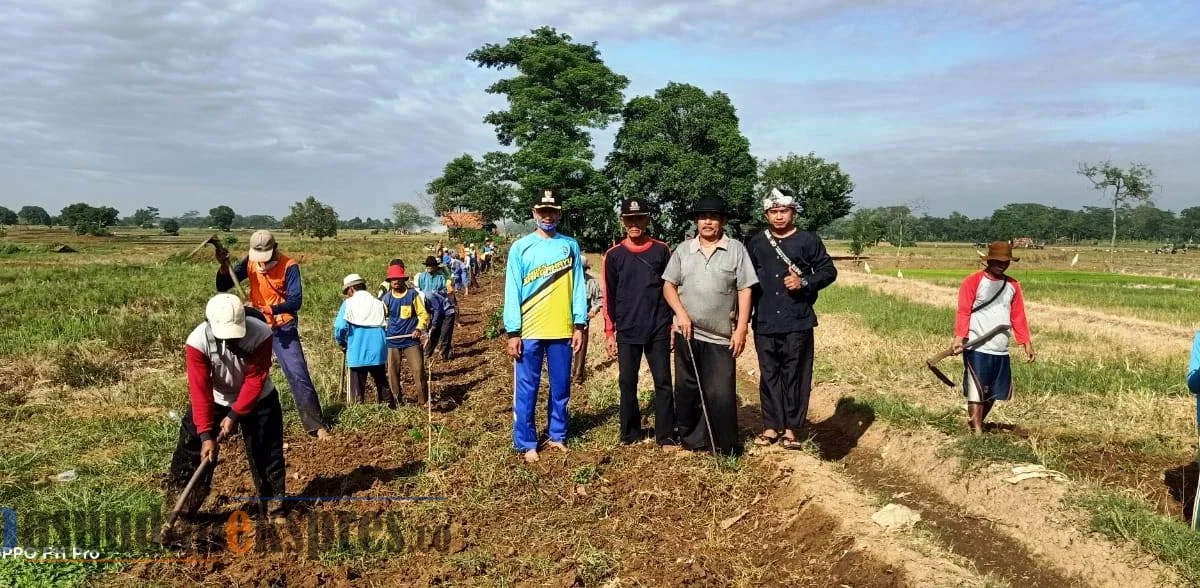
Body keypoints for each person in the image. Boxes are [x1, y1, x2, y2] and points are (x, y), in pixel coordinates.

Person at [169, 293, 286, 520]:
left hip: (258, 398)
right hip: (215, 398)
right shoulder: (197, 342)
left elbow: (255, 378)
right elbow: (200, 389)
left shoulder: (260, 333)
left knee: (266, 452)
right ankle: (181, 511)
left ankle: (274, 507)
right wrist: (205, 434)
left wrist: (235, 415)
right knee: (192, 451)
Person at [662, 196, 758, 456]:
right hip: (688, 332)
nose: (707, 222)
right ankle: (692, 441)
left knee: (721, 392)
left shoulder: (736, 249)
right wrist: (680, 314)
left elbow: (745, 288)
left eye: (713, 217)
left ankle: (724, 447)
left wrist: (741, 329)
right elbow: (669, 285)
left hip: (720, 336)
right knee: (688, 389)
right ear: (696, 221)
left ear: (722, 222)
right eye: (703, 217)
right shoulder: (683, 250)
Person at [216, 230, 330, 439]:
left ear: (275, 248)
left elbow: (296, 301)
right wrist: (224, 267)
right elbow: (222, 286)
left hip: (282, 327)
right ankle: (232, 426)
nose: (261, 262)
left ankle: (316, 424)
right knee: (240, 373)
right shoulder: (250, 262)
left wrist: (268, 309)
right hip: (254, 326)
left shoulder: (289, 266)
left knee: (298, 373)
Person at [747, 188, 838, 450]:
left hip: (797, 319)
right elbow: (747, 281)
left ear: (793, 212)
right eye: (773, 212)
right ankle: (770, 426)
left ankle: (790, 429)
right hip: (764, 318)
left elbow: (828, 271)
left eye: (783, 211)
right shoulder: (756, 242)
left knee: (794, 374)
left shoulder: (808, 240)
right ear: (766, 214)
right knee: (769, 374)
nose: (778, 217)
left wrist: (804, 281)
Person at [505, 188, 587, 463]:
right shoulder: (520, 247)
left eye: (552, 211)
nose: (548, 216)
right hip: (528, 330)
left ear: (559, 214)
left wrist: (579, 324)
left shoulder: (570, 246)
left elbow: (578, 288)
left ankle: (557, 435)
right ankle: (526, 441)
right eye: (543, 211)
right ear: (534, 213)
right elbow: (512, 290)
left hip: (562, 329)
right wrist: (513, 331)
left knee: (561, 387)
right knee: (527, 388)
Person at [602, 197, 676, 448]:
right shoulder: (613, 255)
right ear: (623, 221)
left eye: (640, 218)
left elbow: (671, 288)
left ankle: (665, 434)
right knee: (627, 382)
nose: (635, 224)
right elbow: (609, 295)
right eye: (630, 219)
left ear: (647, 220)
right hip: (628, 329)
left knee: (664, 381)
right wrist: (610, 331)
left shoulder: (661, 250)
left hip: (658, 326)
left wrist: (673, 324)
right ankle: (630, 433)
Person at [952, 241, 1036, 434]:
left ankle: (976, 423)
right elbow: (964, 311)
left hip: (1000, 347)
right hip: (977, 346)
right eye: (998, 261)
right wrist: (959, 337)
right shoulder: (973, 282)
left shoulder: (1013, 285)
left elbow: (1018, 315)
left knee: (994, 392)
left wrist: (1026, 342)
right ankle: (977, 431)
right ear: (989, 261)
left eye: (1006, 261)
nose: (1002, 264)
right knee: (976, 390)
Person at [334, 273, 395, 408]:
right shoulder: (379, 303)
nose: (347, 295)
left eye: (346, 292)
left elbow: (340, 327)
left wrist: (342, 342)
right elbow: (386, 324)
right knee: (381, 381)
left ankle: (358, 412)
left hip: (357, 350)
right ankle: (388, 409)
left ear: (351, 289)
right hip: (378, 349)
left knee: (357, 387)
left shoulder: (348, 304)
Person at [381, 263, 430, 405]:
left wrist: (419, 329)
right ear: (390, 281)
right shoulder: (386, 299)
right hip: (392, 340)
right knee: (392, 373)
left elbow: (423, 314)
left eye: (398, 278)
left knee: (418, 370)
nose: (396, 281)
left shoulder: (412, 295)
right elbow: (381, 318)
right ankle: (397, 402)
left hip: (411, 340)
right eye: (393, 279)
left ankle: (423, 401)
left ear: (403, 279)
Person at [570, 258, 604, 385]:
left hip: (583, 320)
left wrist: (593, 311)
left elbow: (599, 300)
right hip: (567, 320)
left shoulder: (591, 282)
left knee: (581, 348)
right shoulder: (568, 281)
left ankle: (577, 378)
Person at [417, 255, 456, 360]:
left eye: (431, 265)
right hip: (433, 308)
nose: (429, 267)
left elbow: (448, 290)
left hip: (444, 309)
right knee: (433, 333)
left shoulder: (441, 277)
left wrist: (433, 324)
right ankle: (427, 354)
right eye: (427, 266)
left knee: (443, 334)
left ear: (435, 266)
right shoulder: (422, 277)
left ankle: (444, 355)